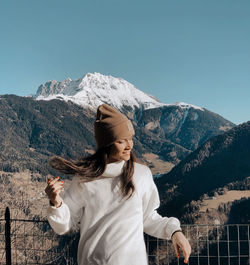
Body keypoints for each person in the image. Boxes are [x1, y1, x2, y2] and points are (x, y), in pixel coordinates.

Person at [45, 103, 191, 265]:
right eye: (122, 141)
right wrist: (56, 203)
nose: (129, 145)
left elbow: (148, 218)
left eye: (130, 139)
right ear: (107, 143)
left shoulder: (141, 175)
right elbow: (65, 225)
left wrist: (174, 231)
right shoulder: (84, 179)